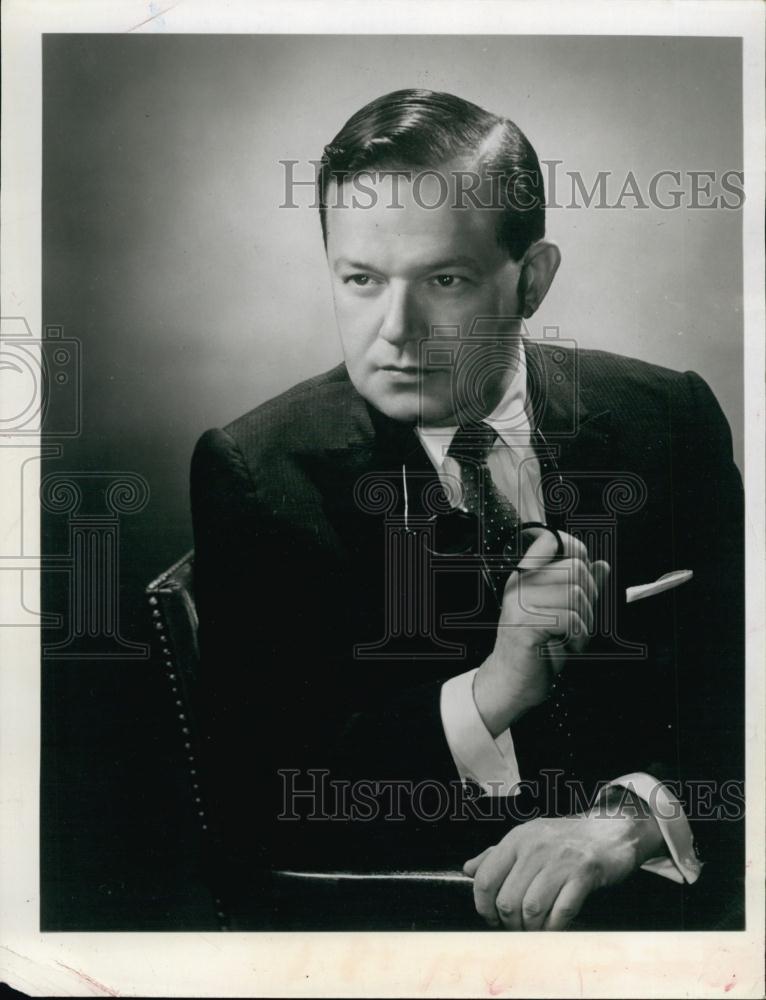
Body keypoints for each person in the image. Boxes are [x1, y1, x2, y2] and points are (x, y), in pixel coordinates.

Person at [190, 89, 744, 931]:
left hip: (676, 896)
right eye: (361, 280)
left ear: (533, 279)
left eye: (444, 279)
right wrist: (486, 695)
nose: (396, 331)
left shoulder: (669, 418)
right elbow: (258, 802)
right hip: (435, 924)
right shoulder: (257, 472)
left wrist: (630, 818)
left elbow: (745, 692)